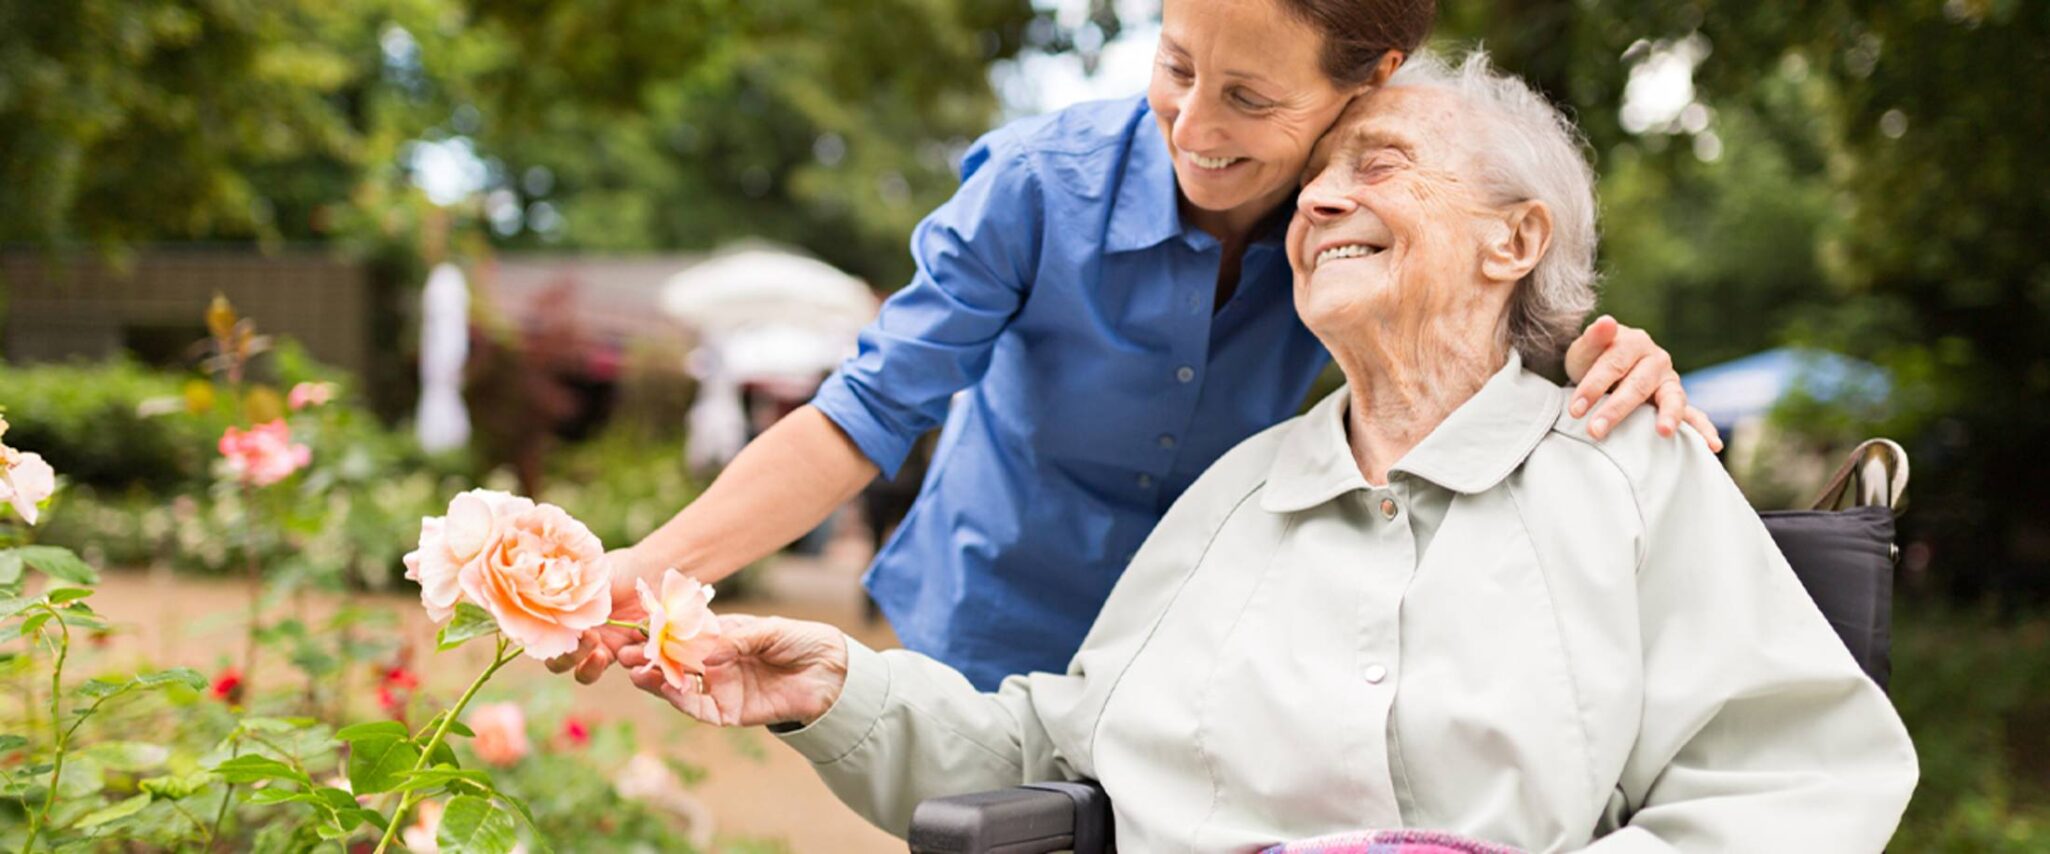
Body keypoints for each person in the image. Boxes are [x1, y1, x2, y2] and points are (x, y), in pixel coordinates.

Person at [618, 52, 1919, 851]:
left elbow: (1795, 776)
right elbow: (1061, 754)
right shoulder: (1234, 496)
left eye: (1382, 165)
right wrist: (832, 686)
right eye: (1315, 185)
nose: (1322, 203)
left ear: (1510, 239)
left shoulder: (1628, 468)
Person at [555, 0, 1723, 692]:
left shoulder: (1360, 213)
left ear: (1366, 86)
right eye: (1174, 67)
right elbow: (861, 412)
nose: (1196, 128)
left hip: (1202, 644)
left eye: (1251, 101)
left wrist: (1605, 358)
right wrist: (643, 569)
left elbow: (1494, 310)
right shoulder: (1034, 187)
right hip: (989, 622)